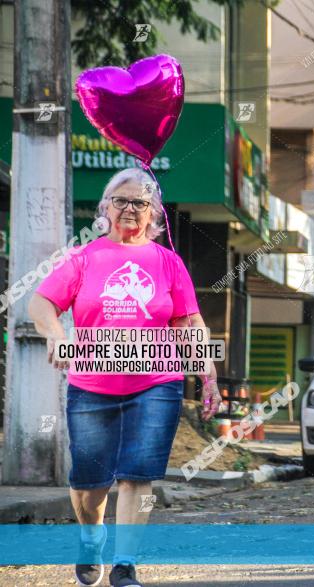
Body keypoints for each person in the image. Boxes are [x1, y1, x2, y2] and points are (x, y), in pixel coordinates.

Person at [28, 168, 222, 587]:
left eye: (140, 203)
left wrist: (207, 373)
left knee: (139, 474)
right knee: (88, 481)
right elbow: (41, 303)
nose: (130, 209)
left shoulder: (167, 262)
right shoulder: (84, 257)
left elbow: (189, 321)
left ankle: (125, 563)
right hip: (92, 384)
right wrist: (57, 337)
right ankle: (89, 538)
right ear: (106, 207)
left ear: (152, 213)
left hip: (156, 383)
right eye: (121, 201)